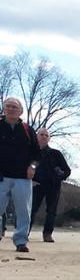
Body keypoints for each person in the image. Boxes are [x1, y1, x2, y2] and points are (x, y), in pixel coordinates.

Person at [0, 97, 41, 253]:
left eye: (14, 107)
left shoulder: (27, 130)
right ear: (3, 108)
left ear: (21, 111)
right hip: (2, 177)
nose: (11, 109)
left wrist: (32, 166)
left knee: (24, 211)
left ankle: (21, 241)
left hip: (22, 178)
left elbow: (37, 154)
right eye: (8, 106)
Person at [30, 128, 71, 242]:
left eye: (46, 135)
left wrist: (60, 177)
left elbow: (67, 170)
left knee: (52, 211)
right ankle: (25, 232)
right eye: (41, 134)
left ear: (49, 138)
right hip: (35, 186)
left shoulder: (55, 154)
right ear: (37, 136)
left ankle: (48, 233)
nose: (43, 137)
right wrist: (30, 181)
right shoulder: (31, 152)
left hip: (53, 186)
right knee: (31, 210)